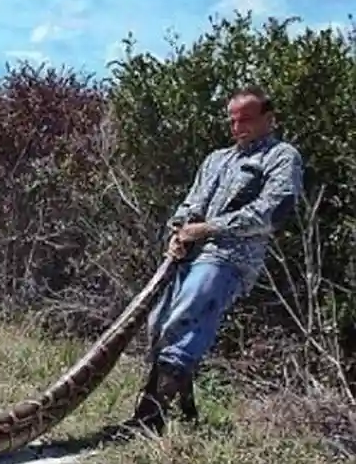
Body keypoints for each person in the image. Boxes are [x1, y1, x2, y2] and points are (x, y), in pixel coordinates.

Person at [120, 86, 304, 436]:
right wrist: (178, 231)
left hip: (229, 257)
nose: (238, 127)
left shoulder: (282, 156)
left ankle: (148, 419)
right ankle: (186, 413)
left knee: (185, 317)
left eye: (246, 119)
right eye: (233, 120)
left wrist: (206, 229)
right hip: (188, 254)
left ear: (269, 118)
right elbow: (191, 203)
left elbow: (272, 212)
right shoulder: (216, 159)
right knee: (159, 326)